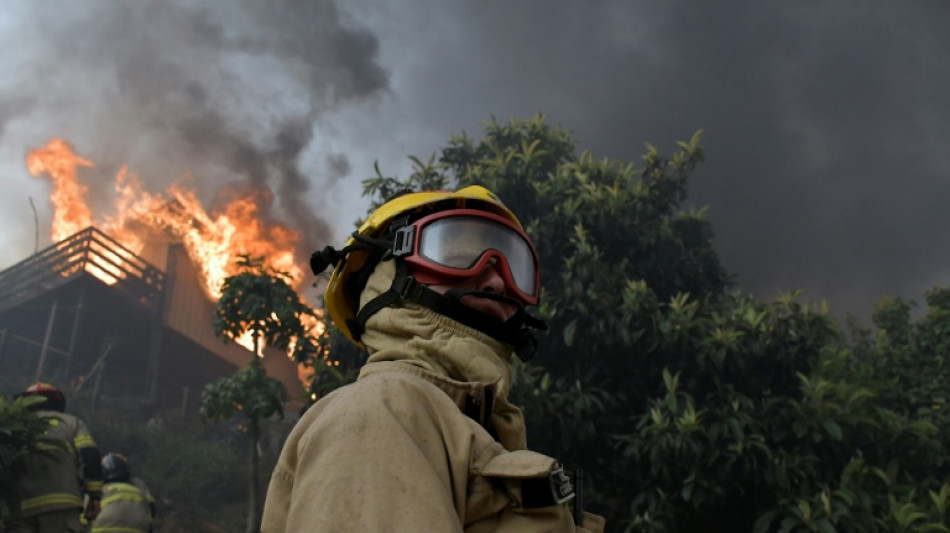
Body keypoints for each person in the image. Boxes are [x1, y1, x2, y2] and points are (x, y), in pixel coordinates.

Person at [262, 185, 605, 532]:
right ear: (387, 276)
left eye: (512, 266)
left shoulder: (468, 427)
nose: (497, 281)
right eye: (456, 256)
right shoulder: (382, 410)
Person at [3, 382, 103, 533]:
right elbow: (89, 456)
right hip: (61, 508)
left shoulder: (12, 427)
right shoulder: (71, 423)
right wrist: (95, 496)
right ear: (57, 402)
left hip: (19, 511)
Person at [89, 453, 156, 533]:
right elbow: (151, 507)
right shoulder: (138, 488)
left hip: (104, 527)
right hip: (138, 526)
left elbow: (86, 512)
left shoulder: (99, 490)